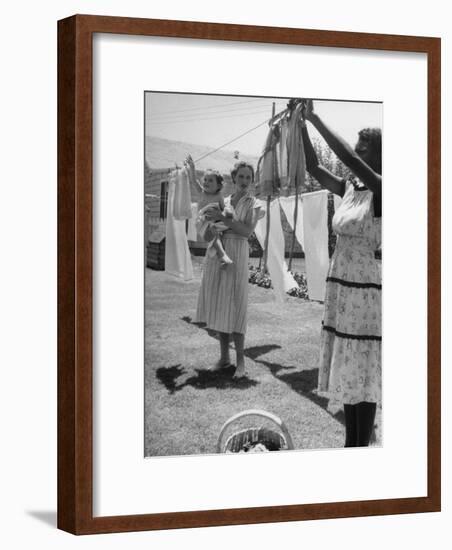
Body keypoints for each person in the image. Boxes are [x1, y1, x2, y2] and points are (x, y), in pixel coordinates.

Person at [301, 99, 382, 447]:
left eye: (365, 150)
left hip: (365, 291)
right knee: (350, 369)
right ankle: (354, 442)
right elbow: (313, 166)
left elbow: (348, 158)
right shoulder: (351, 189)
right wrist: (300, 125)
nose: (357, 154)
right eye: (358, 147)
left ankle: (359, 444)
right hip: (343, 287)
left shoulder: (383, 189)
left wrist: (315, 116)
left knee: (362, 368)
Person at [195, 161, 264, 378]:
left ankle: (241, 363)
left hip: (238, 251)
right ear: (233, 178)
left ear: (251, 180)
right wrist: (207, 225)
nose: (244, 181)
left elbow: (245, 231)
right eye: (241, 176)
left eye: (248, 177)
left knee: (237, 304)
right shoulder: (221, 200)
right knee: (221, 304)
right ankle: (224, 359)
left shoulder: (255, 204)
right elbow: (206, 233)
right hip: (218, 252)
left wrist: (223, 219)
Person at [185, 155, 233, 267]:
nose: (206, 182)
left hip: (215, 223)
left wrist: (227, 212)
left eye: (210, 180)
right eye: (205, 180)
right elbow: (193, 180)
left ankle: (221, 259)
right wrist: (192, 167)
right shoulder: (201, 192)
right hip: (202, 223)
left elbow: (223, 210)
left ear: (218, 186)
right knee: (214, 235)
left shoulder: (219, 196)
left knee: (218, 237)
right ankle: (222, 255)